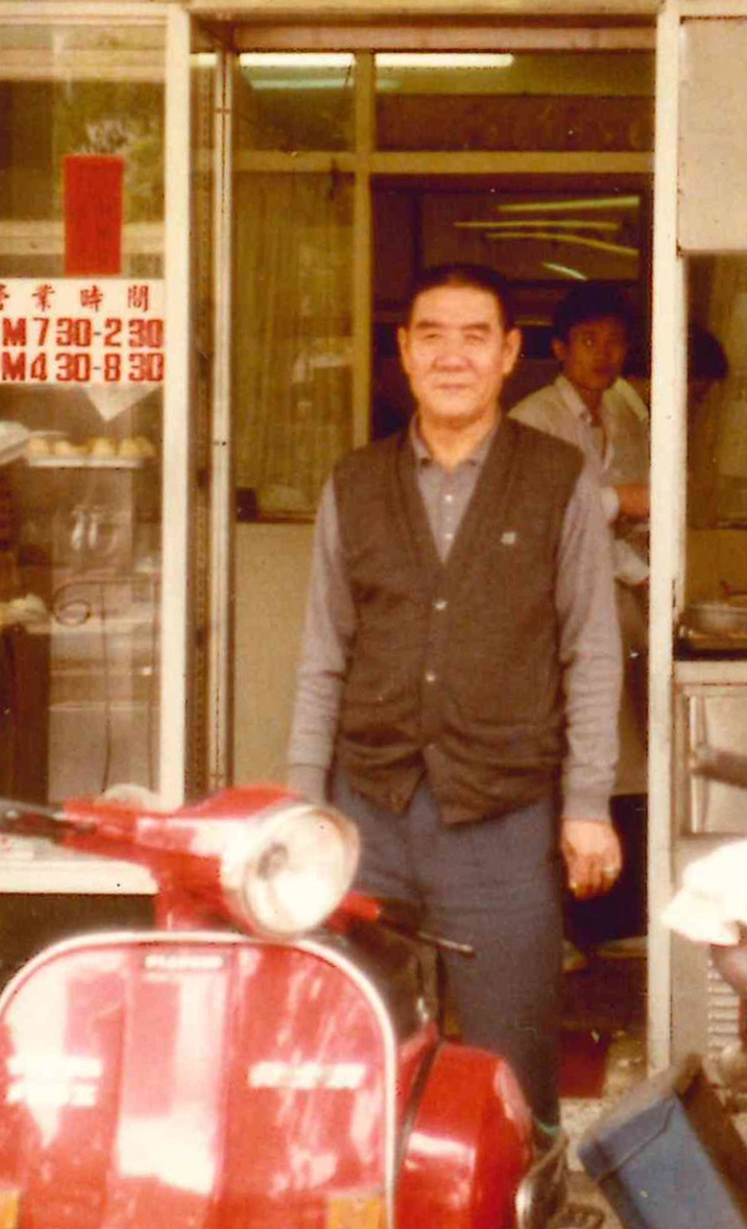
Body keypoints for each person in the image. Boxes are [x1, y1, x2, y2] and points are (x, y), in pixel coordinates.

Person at [287, 262, 623, 1134]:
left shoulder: (559, 480)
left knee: (514, 1076)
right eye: (431, 334)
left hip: (502, 818)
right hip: (371, 815)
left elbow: (591, 649)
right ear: (403, 352)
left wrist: (587, 804)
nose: (453, 355)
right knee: (358, 1060)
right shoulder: (353, 483)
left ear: (511, 355)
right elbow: (324, 654)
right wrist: (301, 807)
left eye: (476, 336)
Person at [510, 285, 649, 960]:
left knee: (613, 765)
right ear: (560, 348)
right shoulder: (534, 419)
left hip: (615, 613)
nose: (604, 354)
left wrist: (641, 569)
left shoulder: (627, 412)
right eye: (589, 341)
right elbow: (543, 515)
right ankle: (552, 927)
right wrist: (620, 503)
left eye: (616, 340)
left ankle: (597, 925)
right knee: (560, 766)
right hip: (551, 617)